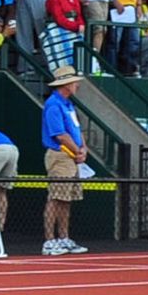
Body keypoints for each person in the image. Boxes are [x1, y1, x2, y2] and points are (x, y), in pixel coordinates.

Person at [41, 65, 90, 256]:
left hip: (71, 156)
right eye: (74, 82)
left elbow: (76, 130)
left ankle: (63, 238)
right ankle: (49, 240)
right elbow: (60, 134)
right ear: (67, 84)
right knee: (56, 197)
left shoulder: (68, 104)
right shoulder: (54, 104)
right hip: (60, 155)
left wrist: (82, 149)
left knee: (66, 200)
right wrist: (78, 151)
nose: (77, 85)